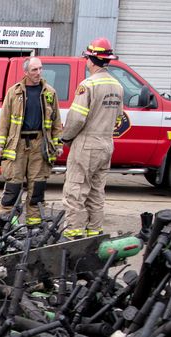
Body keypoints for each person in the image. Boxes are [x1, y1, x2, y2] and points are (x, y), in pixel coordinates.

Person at [59, 38, 125, 238]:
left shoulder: (88, 85)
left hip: (87, 144)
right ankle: (95, 234)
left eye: (87, 58)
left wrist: (66, 138)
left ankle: (74, 236)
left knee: (76, 191)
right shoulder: (117, 86)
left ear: (92, 60)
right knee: (96, 193)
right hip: (106, 145)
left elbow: (77, 118)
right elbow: (119, 118)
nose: (86, 62)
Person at [0, 56, 62, 229]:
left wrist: (58, 145)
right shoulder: (14, 92)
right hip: (17, 145)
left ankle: (34, 229)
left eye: (40, 69)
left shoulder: (50, 93)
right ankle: (8, 227)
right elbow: (4, 121)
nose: (38, 73)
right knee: (13, 188)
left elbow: (56, 122)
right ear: (26, 72)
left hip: (40, 146)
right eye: (34, 70)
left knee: (37, 189)